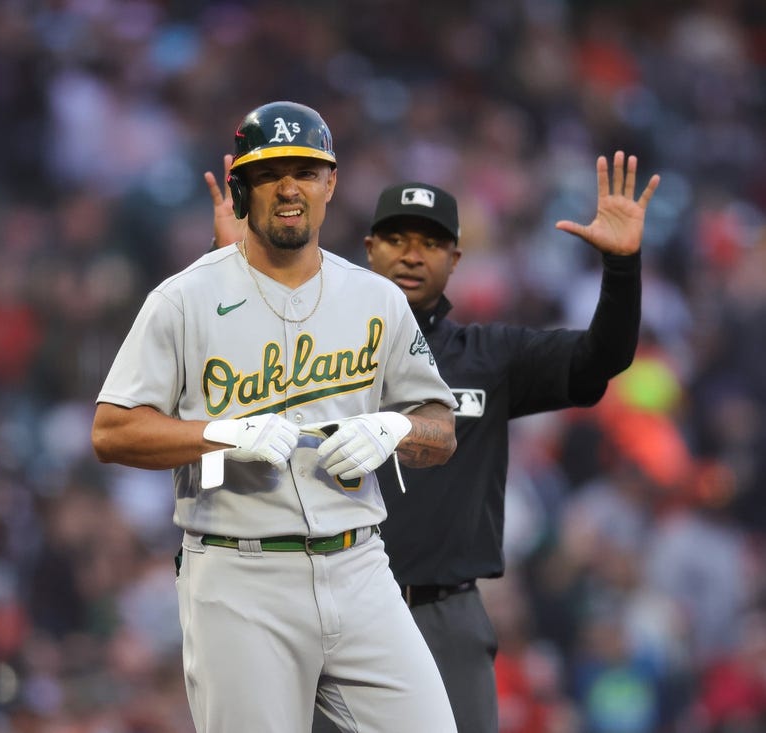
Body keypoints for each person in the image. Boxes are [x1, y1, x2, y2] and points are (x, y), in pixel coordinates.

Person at [208, 150, 660, 732]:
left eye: (430, 242)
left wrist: (622, 269)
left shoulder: (491, 356)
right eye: (396, 238)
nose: (412, 254)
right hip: (329, 606)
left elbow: (602, 357)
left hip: (443, 612)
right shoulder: (316, 350)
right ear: (369, 249)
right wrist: (235, 268)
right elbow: (230, 382)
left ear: (455, 260)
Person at [92, 100, 460, 733]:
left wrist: (395, 428)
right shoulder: (185, 298)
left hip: (360, 564)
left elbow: (441, 427)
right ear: (242, 184)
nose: (290, 188)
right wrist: (220, 433)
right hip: (239, 573)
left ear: (331, 183)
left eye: (306, 171)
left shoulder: (378, 298)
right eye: (270, 173)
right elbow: (111, 430)